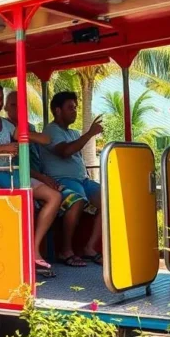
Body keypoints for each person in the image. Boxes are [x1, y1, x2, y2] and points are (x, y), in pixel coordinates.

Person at [0, 83, 63, 276]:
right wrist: (3, 148)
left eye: (0, 99)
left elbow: (45, 140)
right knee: (23, 202)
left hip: (12, 173)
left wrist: (21, 121)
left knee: (54, 196)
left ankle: (34, 250)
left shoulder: (6, 124)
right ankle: (19, 254)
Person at [42, 91, 104, 267]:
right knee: (76, 200)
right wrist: (90, 133)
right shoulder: (51, 130)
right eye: (70, 108)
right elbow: (65, 151)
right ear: (57, 110)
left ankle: (90, 247)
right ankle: (66, 251)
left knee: (108, 201)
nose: (74, 111)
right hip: (61, 180)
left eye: (76, 108)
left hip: (82, 180)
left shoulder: (73, 133)